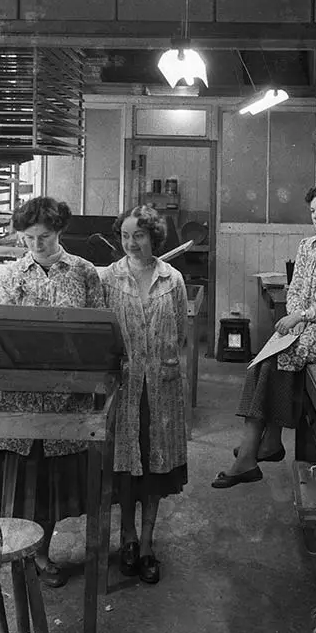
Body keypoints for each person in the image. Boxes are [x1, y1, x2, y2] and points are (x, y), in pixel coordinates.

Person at [0, 196, 106, 588]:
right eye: (29, 238)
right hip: (15, 397)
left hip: (65, 397)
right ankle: (11, 554)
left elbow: (99, 331)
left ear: (59, 232)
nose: (36, 245)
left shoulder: (83, 273)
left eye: (44, 237)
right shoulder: (12, 275)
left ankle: (43, 554)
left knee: (49, 484)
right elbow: (1, 332)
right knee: (14, 482)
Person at [212, 184, 316, 488]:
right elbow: (296, 289)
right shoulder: (307, 246)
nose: (314, 215)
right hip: (311, 323)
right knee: (264, 356)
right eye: (312, 210)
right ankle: (262, 445)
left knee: (284, 352)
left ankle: (256, 450)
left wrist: (302, 317)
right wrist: (297, 316)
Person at [100, 205, 189, 585]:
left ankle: (149, 544)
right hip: (124, 386)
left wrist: (161, 361)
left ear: (154, 236)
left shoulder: (173, 279)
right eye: (125, 235)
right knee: (124, 470)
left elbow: (181, 332)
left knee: (155, 469)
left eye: (139, 235)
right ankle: (128, 540)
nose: (131, 243)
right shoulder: (107, 279)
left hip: (162, 390)